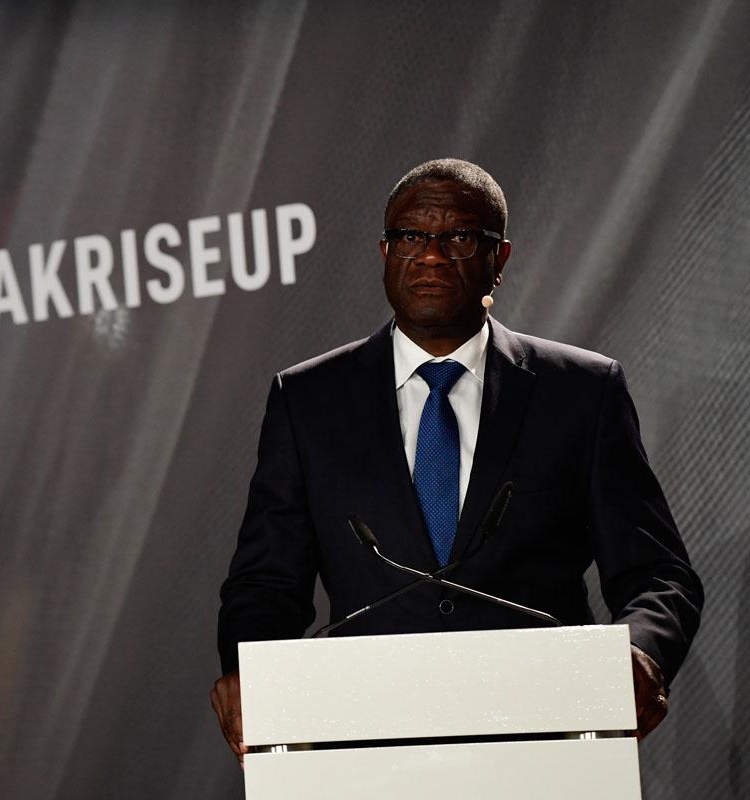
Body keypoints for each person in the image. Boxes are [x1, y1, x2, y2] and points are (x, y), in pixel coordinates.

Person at [210, 158, 703, 767]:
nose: (433, 255)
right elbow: (266, 584)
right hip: (364, 743)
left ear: (501, 256)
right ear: (385, 251)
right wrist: (246, 670)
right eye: (412, 236)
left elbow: (658, 575)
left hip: (544, 738)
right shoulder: (308, 399)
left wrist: (645, 652)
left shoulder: (580, 390)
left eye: (460, 237)